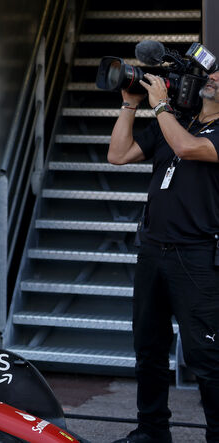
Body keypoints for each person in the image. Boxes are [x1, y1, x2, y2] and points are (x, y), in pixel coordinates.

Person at [108, 69, 219, 443]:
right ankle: (152, 431)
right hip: (153, 252)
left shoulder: (188, 128)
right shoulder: (175, 121)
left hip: (198, 256)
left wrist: (160, 108)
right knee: (149, 349)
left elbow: (188, 148)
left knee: (207, 356)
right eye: (213, 72)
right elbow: (118, 154)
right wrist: (130, 104)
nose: (214, 78)